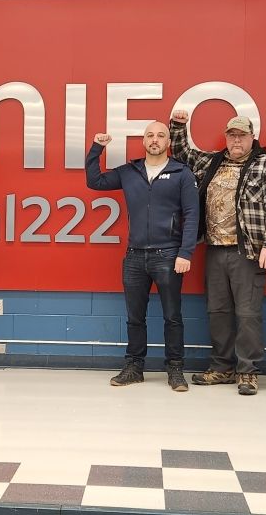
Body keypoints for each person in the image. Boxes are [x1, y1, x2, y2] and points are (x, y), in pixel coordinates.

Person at [169, 112, 266, 396]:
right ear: (226, 138)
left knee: (247, 313)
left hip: (247, 251)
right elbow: (183, 152)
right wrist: (177, 126)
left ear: (252, 138)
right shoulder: (212, 162)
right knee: (217, 311)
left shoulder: (265, 165)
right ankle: (222, 367)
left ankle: (247, 372)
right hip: (213, 250)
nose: (236, 140)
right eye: (232, 135)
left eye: (242, 136)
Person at [85, 122, 199, 392]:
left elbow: (192, 214)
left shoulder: (181, 172)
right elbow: (95, 181)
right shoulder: (129, 171)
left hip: (168, 255)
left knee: (173, 316)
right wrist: (96, 149)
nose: (155, 139)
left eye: (160, 135)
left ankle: (175, 369)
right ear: (143, 141)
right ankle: (134, 367)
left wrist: (185, 252)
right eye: (150, 135)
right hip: (135, 257)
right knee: (134, 317)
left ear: (168, 141)